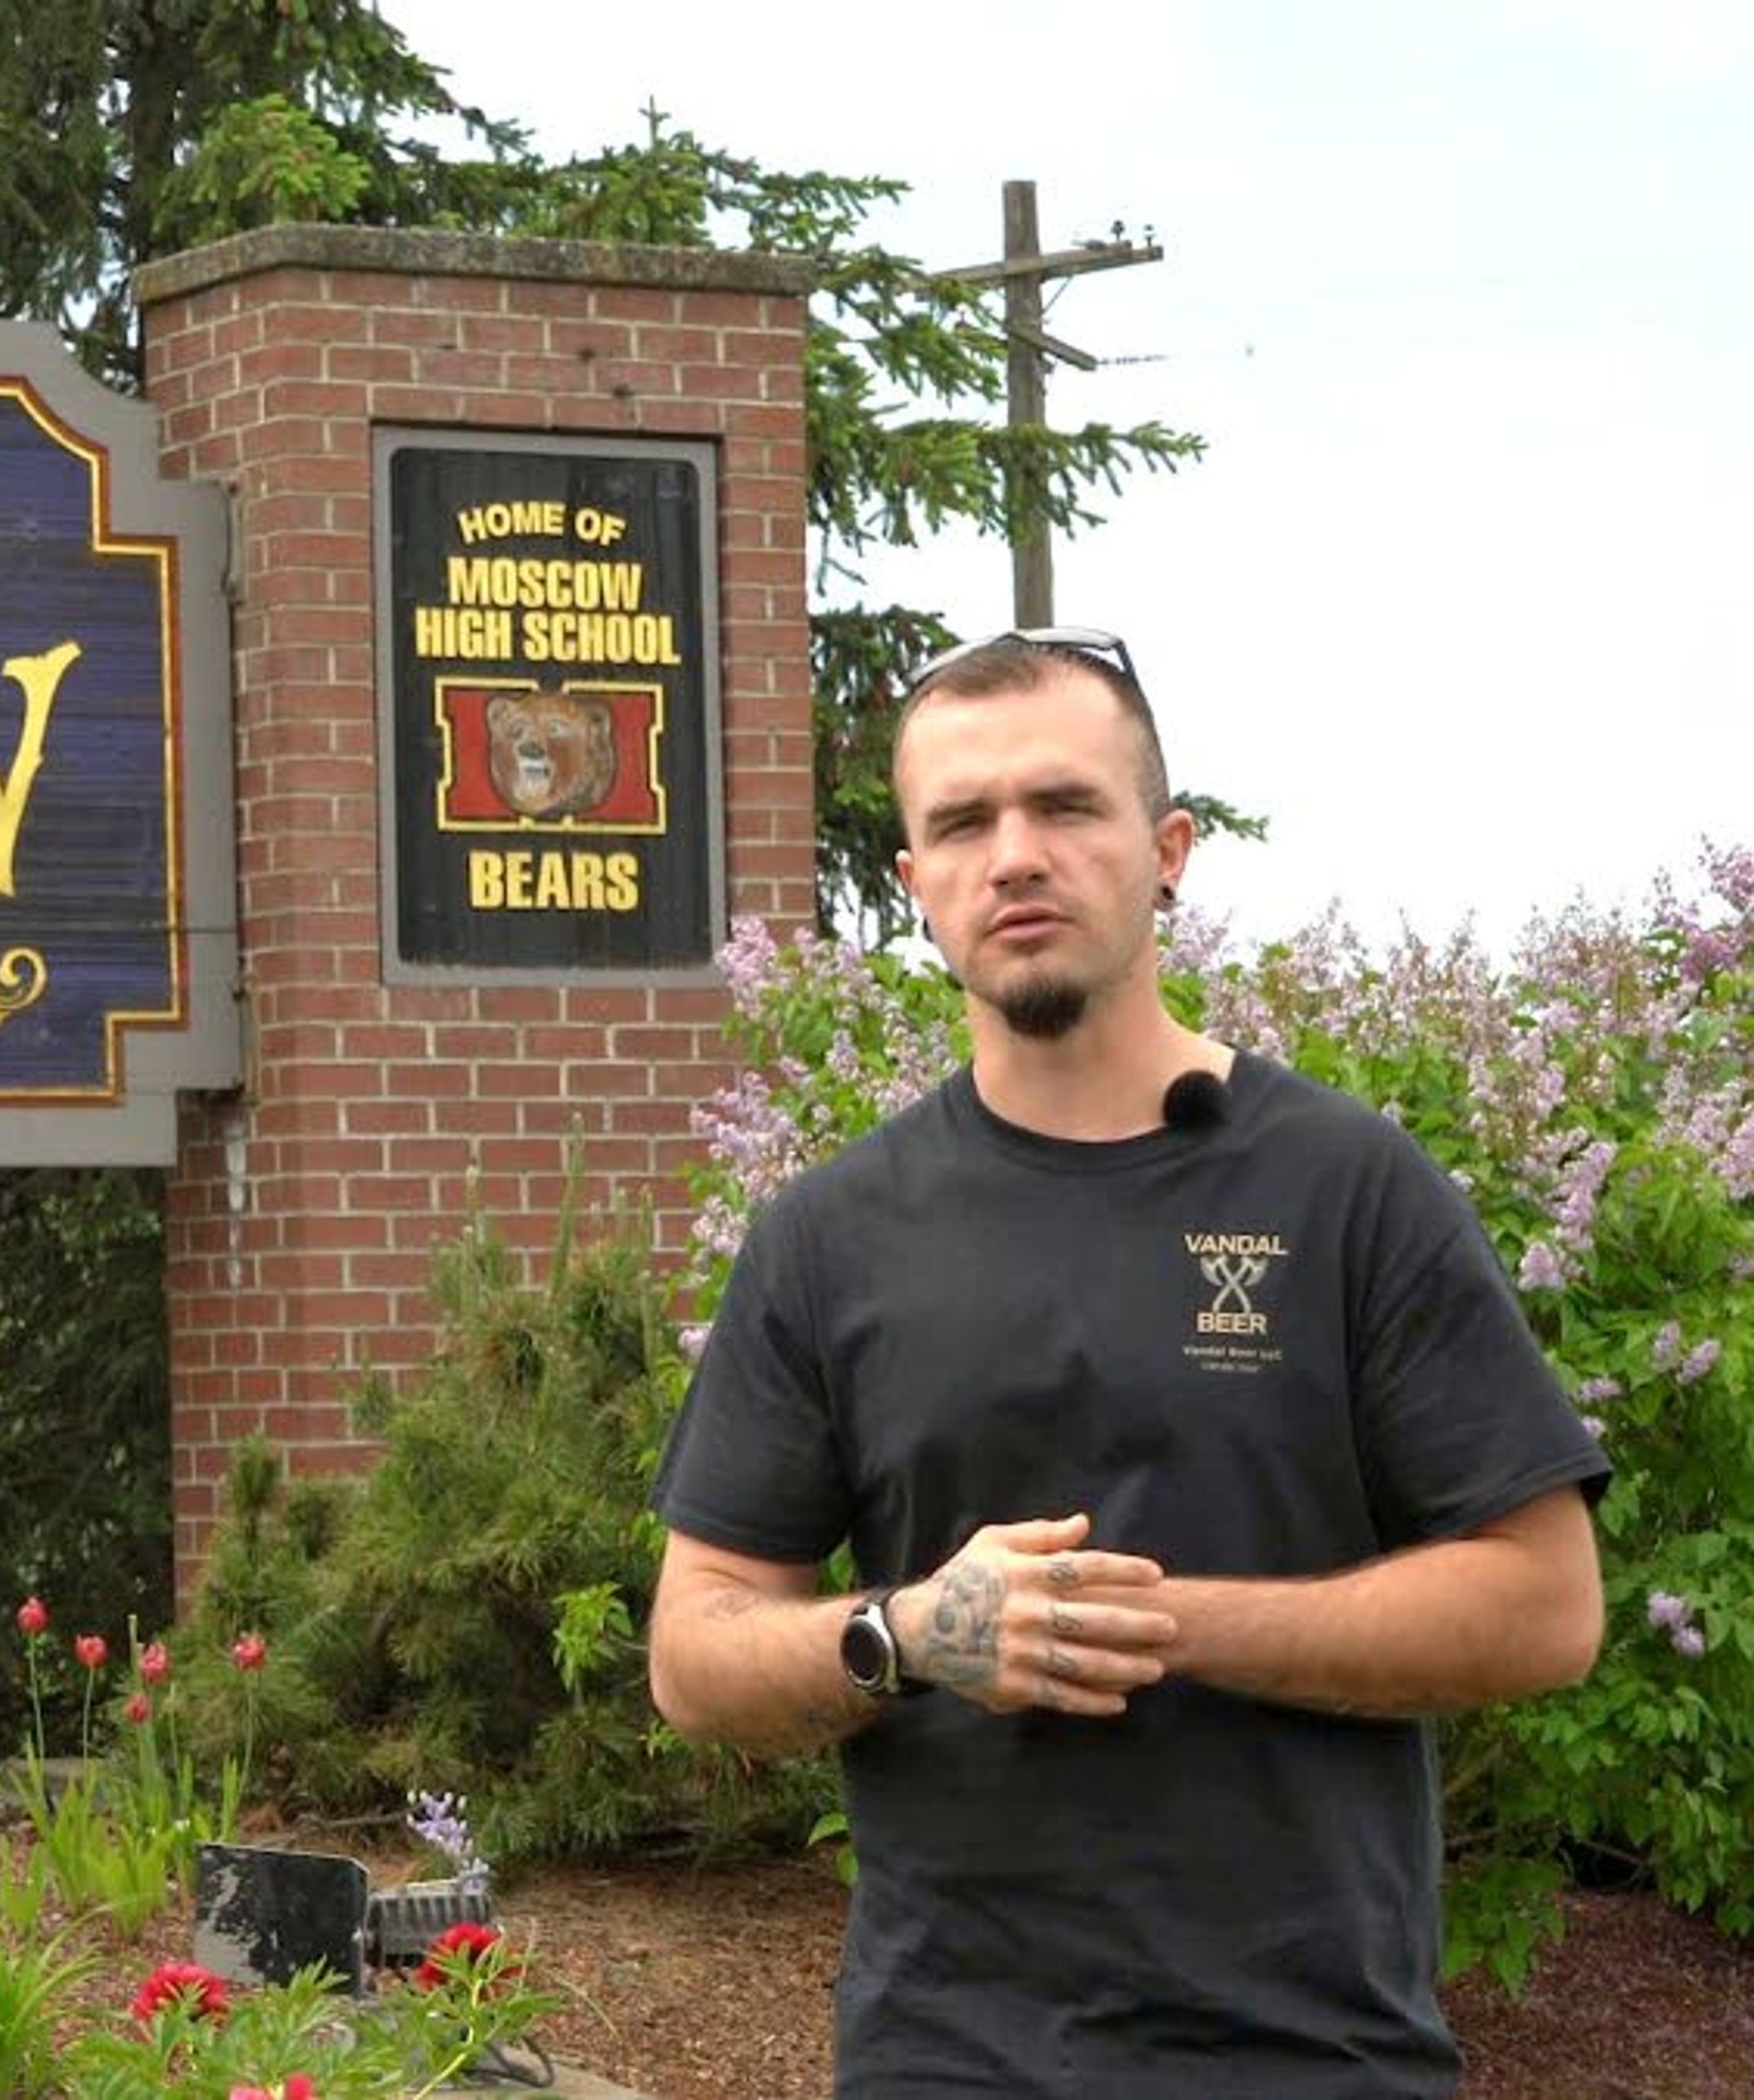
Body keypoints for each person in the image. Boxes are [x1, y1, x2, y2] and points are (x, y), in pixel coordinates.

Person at [644, 628, 1608, 2097]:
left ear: (1168, 851)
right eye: (962, 823)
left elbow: (1545, 1606)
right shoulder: (830, 1237)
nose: (1013, 855)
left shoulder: (1347, 1190)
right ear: (916, 887)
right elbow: (695, 1651)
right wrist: (906, 1637)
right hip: (945, 2059)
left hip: (1312, 2056)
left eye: (1065, 807)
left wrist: (1149, 1626)